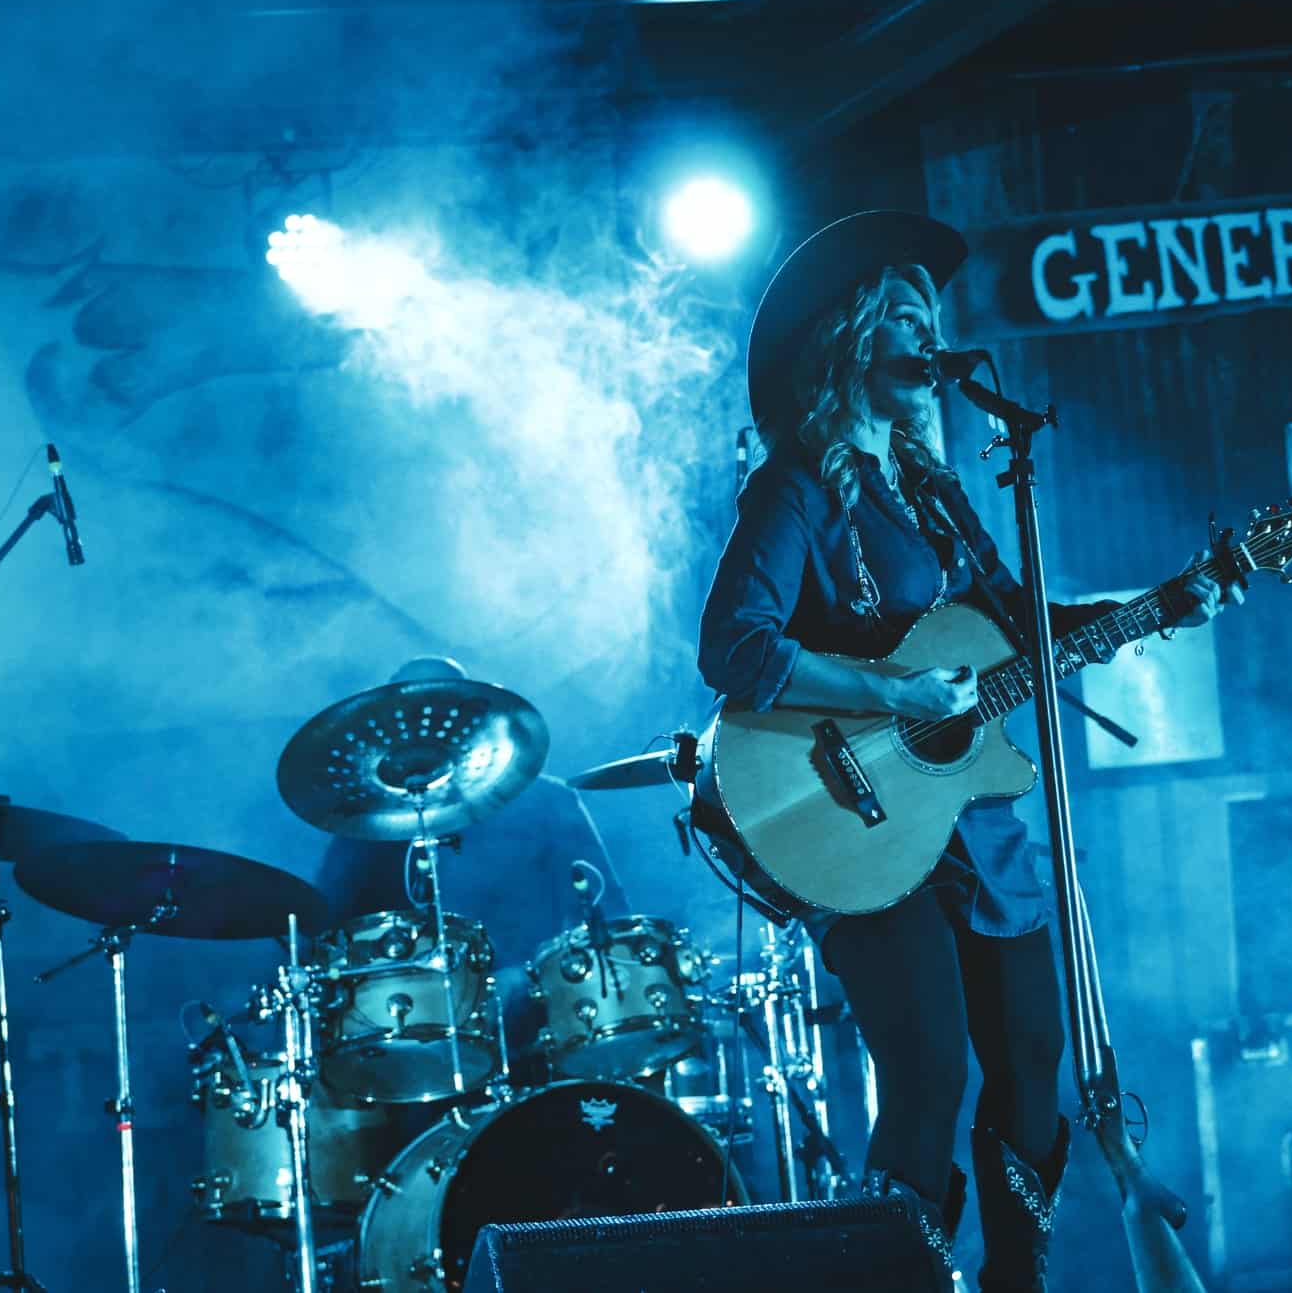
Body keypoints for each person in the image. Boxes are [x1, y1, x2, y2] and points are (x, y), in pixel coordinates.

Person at [694, 212, 1224, 1290]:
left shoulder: (935, 494)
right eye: (894, 315)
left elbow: (1018, 627)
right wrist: (885, 686)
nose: (916, 336)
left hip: (975, 823)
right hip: (858, 823)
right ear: (847, 339)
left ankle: (1014, 1283)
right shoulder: (794, 483)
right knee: (927, 1070)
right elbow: (733, 646)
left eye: (925, 318)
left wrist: (1161, 604)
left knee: (1032, 1071)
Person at [314, 654, 632, 1083]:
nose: (421, 728)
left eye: (440, 712)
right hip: (412, 1044)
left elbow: (607, 919)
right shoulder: (364, 824)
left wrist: (531, 975)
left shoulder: (546, 801)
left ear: (472, 717)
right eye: (405, 716)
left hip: (540, 1034)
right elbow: (325, 934)